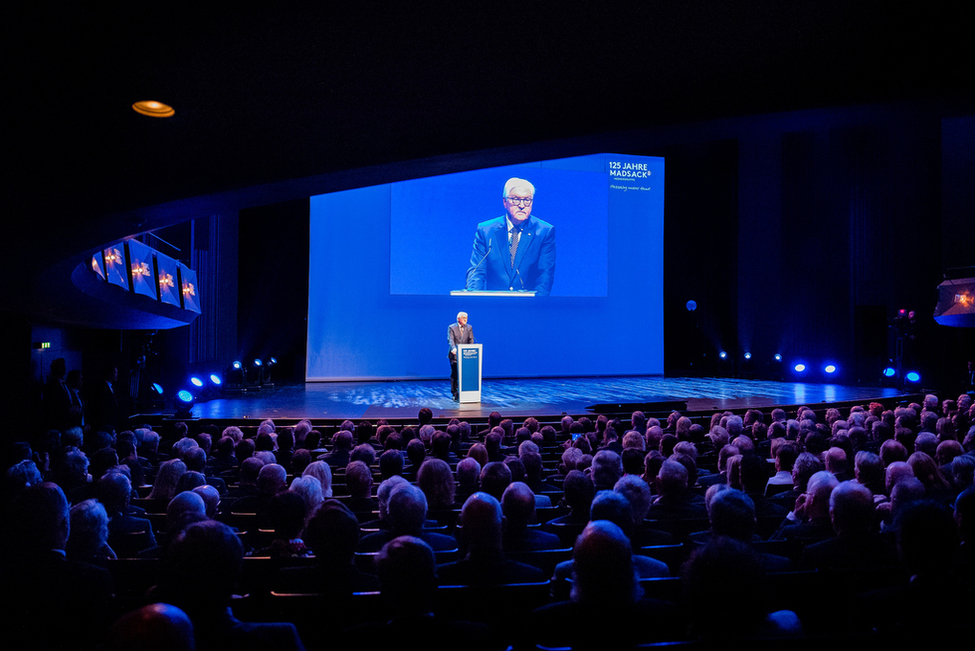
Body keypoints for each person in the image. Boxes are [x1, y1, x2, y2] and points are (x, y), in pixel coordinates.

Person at [465, 177, 556, 295]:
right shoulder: (486, 231)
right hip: (494, 305)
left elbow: (545, 275)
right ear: (505, 202)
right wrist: (473, 299)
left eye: (527, 200)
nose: (522, 205)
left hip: (527, 306)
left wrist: (537, 305)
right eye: (516, 199)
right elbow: (477, 272)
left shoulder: (544, 232)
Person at [447, 311, 473, 400]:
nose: (466, 320)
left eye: (466, 318)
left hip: (466, 356)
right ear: (458, 319)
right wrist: (453, 348)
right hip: (454, 355)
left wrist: (471, 350)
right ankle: (454, 393)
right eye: (464, 318)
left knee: (464, 374)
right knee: (455, 374)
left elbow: (471, 340)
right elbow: (450, 340)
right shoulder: (452, 327)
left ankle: (464, 392)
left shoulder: (469, 327)